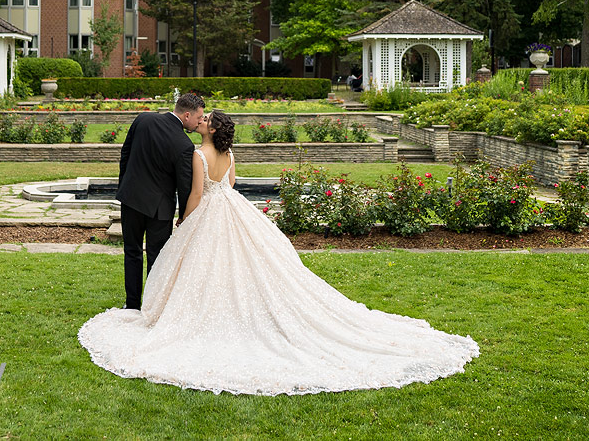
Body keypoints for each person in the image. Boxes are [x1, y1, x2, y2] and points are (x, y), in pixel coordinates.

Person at [80, 110, 479, 395]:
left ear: (211, 129)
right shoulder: (230, 155)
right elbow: (231, 188)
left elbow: (198, 195)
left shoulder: (198, 155)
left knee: (201, 265)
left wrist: (186, 222)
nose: (201, 121)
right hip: (234, 212)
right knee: (243, 264)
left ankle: (168, 307)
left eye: (206, 120)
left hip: (208, 213)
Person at [116, 92, 205, 310]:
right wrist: (184, 216)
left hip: (131, 199)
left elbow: (124, 155)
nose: (200, 121)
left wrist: (124, 187)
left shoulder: (143, 119)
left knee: (132, 252)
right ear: (186, 115)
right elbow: (184, 187)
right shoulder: (184, 144)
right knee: (157, 258)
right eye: (198, 117)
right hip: (159, 210)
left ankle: (132, 305)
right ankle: (152, 305)